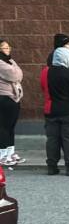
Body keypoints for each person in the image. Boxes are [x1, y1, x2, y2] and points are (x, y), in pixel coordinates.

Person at [42, 46, 69, 176]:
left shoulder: (46, 72)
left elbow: (44, 88)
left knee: (52, 139)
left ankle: (51, 166)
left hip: (51, 111)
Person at [0, 38, 24, 166]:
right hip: (4, 97)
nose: (7, 49)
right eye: (4, 48)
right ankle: (2, 155)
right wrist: (16, 73)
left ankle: (10, 153)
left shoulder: (9, 61)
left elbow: (20, 73)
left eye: (8, 47)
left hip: (14, 97)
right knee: (3, 127)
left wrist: (17, 73)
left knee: (11, 127)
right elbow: (15, 76)